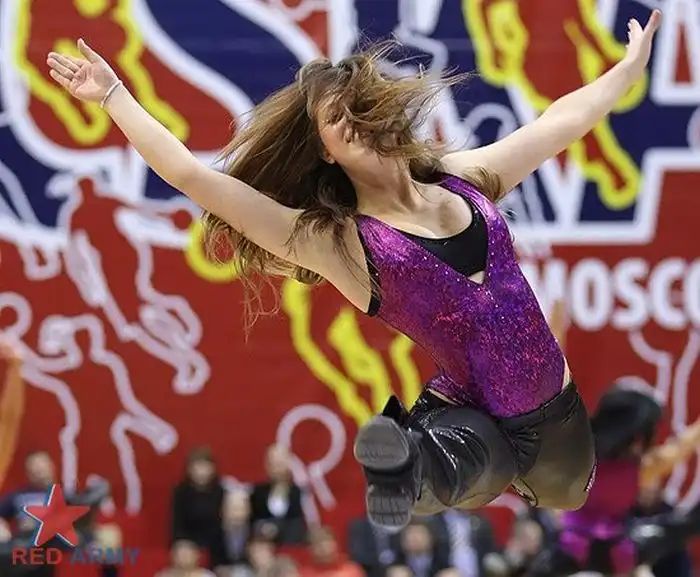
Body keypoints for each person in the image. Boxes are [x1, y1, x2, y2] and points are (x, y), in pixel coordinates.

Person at [46, 9, 661, 529]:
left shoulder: (463, 180)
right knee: (474, 459)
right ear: (324, 150)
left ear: (382, 109)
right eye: (333, 119)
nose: (351, 121)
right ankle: (405, 467)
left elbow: (558, 125)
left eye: (356, 107)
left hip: (558, 428)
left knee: (566, 491)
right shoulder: (337, 243)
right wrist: (114, 97)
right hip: (464, 419)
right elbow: (193, 176)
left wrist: (627, 72)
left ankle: (417, 463)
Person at [529, 385, 700, 576]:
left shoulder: (580, 456)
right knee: (682, 526)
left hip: (582, 548)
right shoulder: (639, 468)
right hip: (611, 552)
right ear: (637, 436)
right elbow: (680, 448)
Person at [171, 448, 227, 569]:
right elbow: (177, 523)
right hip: (188, 543)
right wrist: (184, 544)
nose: (201, 471)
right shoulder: (181, 492)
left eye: (205, 467)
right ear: (189, 469)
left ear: (212, 468)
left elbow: (222, 524)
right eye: (197, 467)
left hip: (215, 545)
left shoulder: (221, 491)